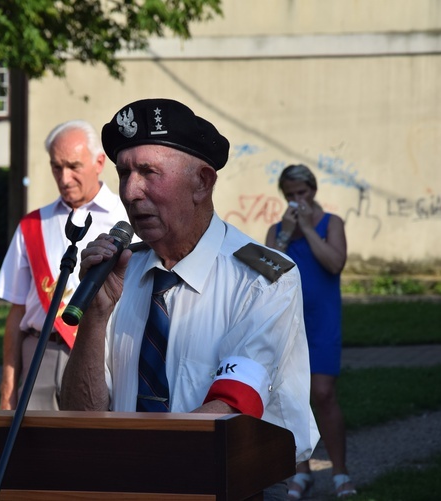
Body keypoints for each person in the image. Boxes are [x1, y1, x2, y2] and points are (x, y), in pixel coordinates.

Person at [60, 99, 319, 500]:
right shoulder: (119, 275)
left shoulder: (263, 278)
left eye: (149, 172)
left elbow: (234, 405)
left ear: (202, 182)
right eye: (124, 172)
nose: (130, 191)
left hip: (231, 483)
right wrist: (94, 318)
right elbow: (81, 416)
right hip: (125, 487)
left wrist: (134, 467)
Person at [0, 120, 132, 410]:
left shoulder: (129, 219)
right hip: (41, 351)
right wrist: (8, 384)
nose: (64, 177)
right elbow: (16, 311)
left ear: (99, 162)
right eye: (56, 167)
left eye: (73, 166)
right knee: (34, 449)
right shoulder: (33, 224)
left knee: (95, 445)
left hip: (105, 351)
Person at [265, 164, 355, 499]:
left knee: (323, 393)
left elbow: (335, 263)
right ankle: (300, 472)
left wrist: (307, 227)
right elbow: (268, 273)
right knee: (290, 397)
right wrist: (288, 234)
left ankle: (340, 471)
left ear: (313, 191)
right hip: (288, 323)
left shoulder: (332, 223)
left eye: (301, 193)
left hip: (323, 320)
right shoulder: (277, 230)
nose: (296, 200)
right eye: (289, 195)